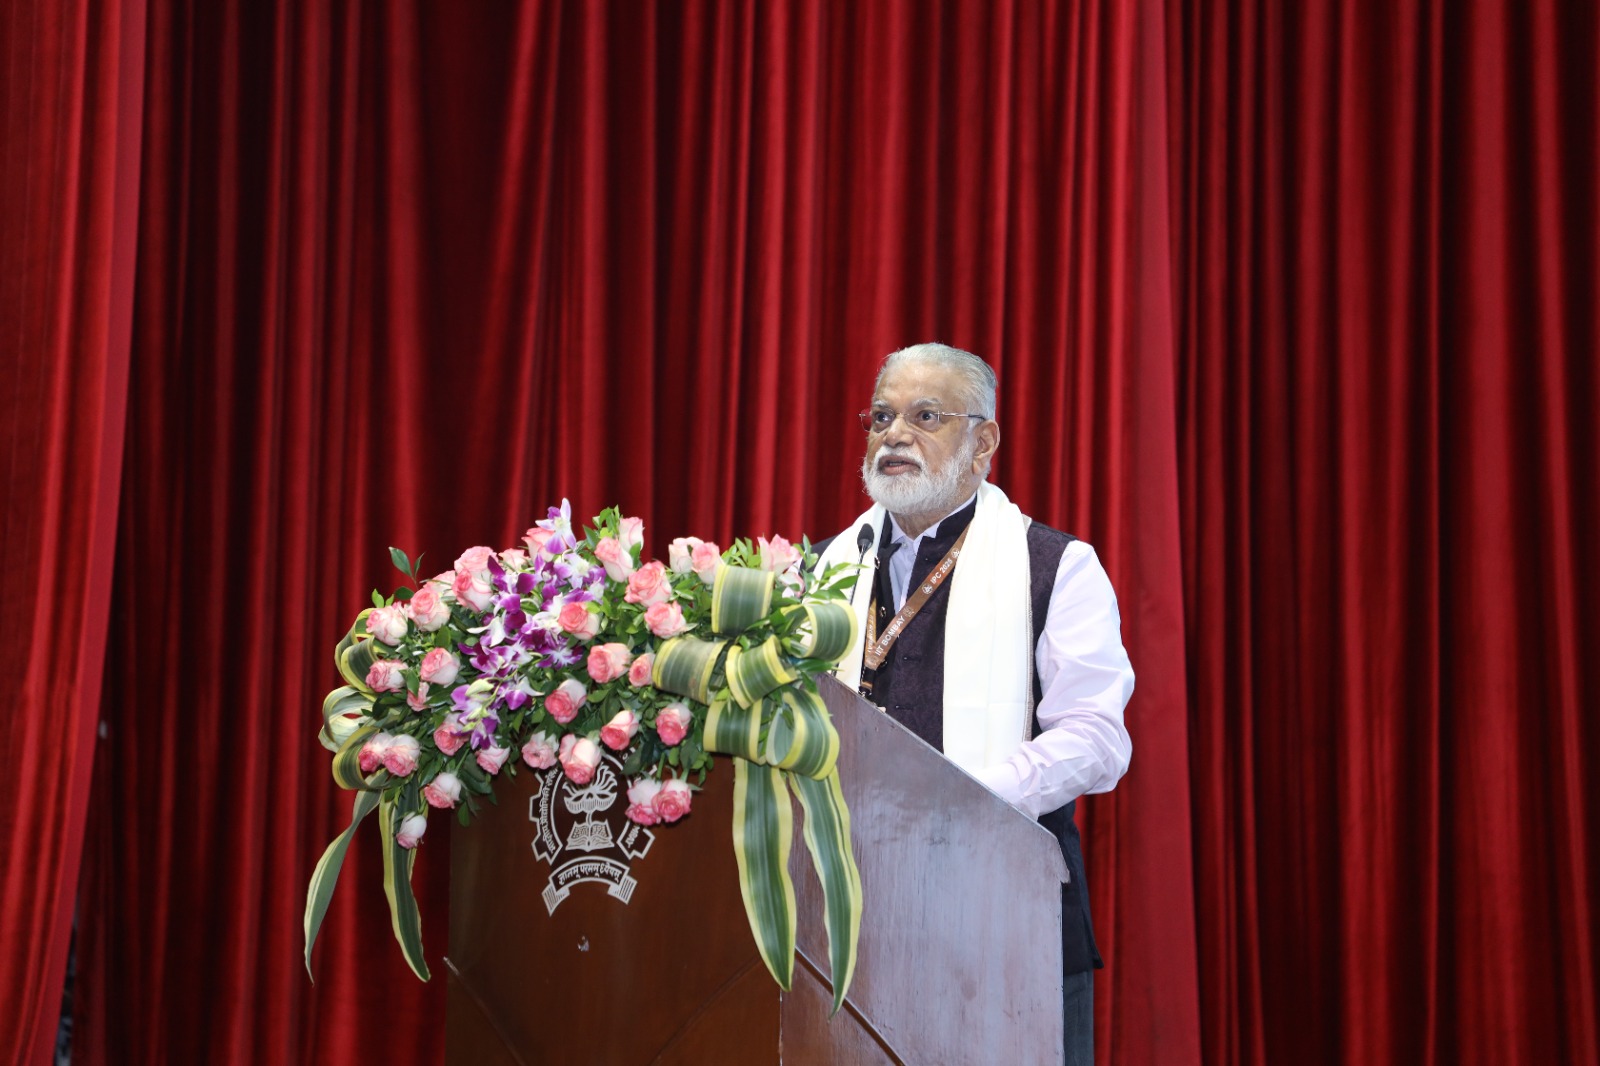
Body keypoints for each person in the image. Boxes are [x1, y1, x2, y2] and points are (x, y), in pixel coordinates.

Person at [814, 342, 1134, 1066]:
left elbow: (1096, 738)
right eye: (881, 416)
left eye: (925, 416)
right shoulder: (822, 569)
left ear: (982, 440)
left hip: (1003, 921)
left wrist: (965, 798)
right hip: (849, 921)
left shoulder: (1056, 565)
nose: (893, 435)